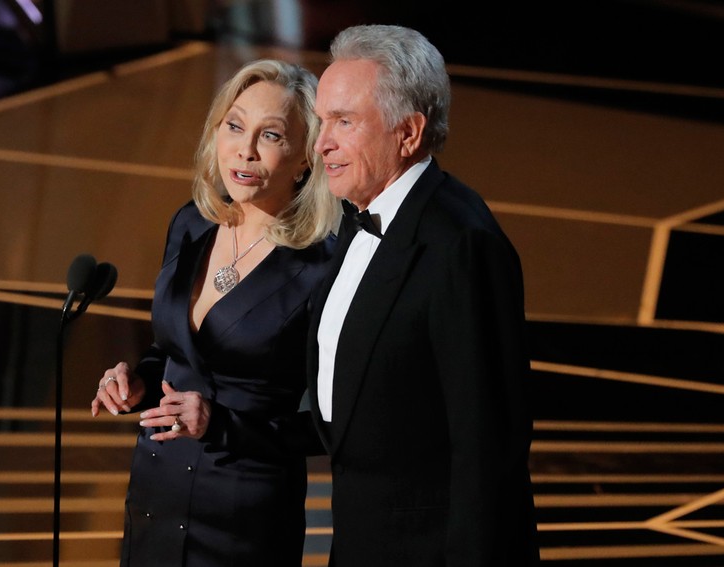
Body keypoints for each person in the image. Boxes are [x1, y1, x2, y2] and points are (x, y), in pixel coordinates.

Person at [90, 58, 339, 567]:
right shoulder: (191, 223)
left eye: (271, 135)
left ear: (305, 157)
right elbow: (171, 352)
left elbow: (333, 422)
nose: (245, 151)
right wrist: (137, 382)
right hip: (156, 490)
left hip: (243, 514)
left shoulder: (323, 266)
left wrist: (221, 424)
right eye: (235, 126)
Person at [307, 25, 540, 566]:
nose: (322, 143)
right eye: (323, 121)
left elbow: (486, 447)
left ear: (408, 132)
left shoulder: (462, 245)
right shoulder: (360, 217)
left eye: (344, 121)